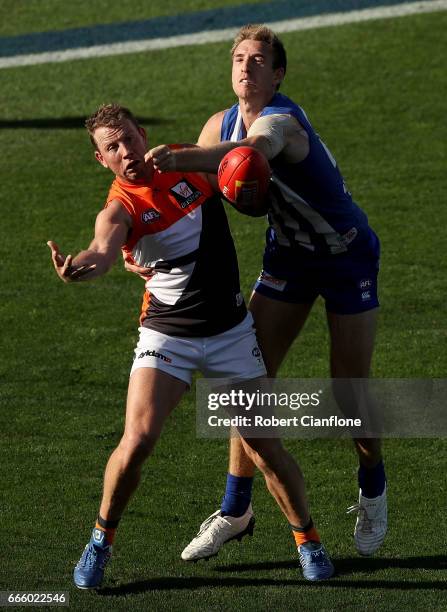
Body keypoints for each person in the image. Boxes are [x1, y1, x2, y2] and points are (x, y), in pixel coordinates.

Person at [47, 103, 334, 589]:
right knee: (137, 440)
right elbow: (102, 247)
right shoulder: (120, 207)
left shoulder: (184, 160)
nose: (125, 152)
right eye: (111, 148)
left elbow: (242, 170)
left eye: (128, 140)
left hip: (230, 333)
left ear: (143, 134)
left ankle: (309, 542)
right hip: (168, 337)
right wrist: (87, 263)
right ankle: (100, 541)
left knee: (265, 449)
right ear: (102, 160)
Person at [139, 24, 387, 561]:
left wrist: (181, 158)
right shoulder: (216, 125)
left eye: (258, 60)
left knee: (348, 388)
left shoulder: (282, 122)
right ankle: (235, 511)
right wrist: (143, 252)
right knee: (245, 383)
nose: (246, 66)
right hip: (289, 257)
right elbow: (190, 205)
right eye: (238, 58)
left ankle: (372, 485)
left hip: (346, 255)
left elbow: (254, 152)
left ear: (278, 75)